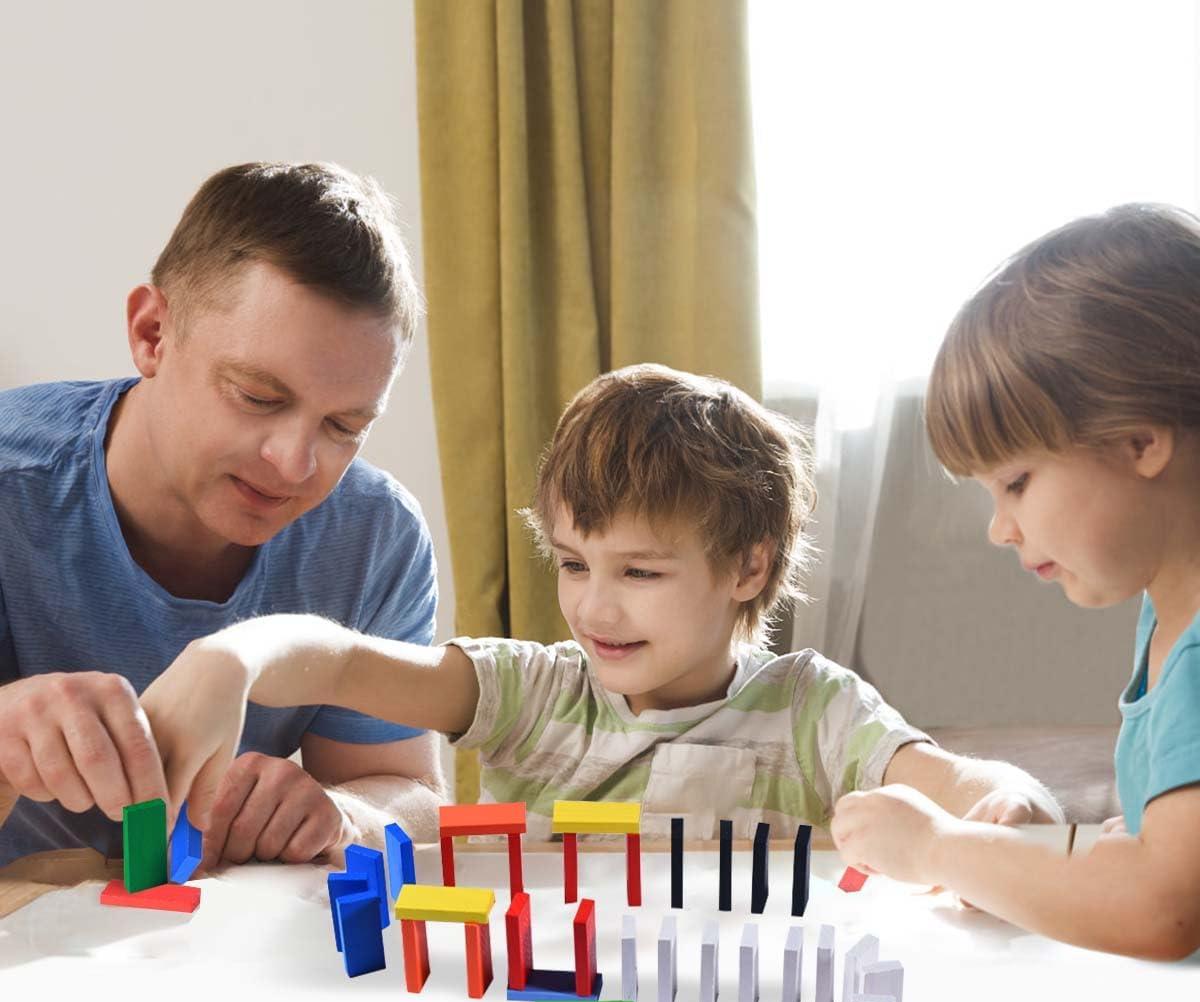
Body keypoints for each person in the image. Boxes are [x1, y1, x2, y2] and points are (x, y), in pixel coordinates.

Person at [138, 363, 1060, 851]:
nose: (594, 608)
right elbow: (341, 661)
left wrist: (1001, 804)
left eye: (641, 573)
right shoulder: (534, 691)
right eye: (574, 564)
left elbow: (957, 782)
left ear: (748, 566)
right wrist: (234, 659)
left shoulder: (815, 709)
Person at [0, 161, 444, 873]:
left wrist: (346, 814)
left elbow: (411, 790)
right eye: (259, 397)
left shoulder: (373, 534)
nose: (294, 463)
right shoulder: (10, 491)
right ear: (151, 334)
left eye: (343, 426)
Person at [831, 202, 1200, 961]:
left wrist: (937, 847)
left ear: (1140, 440)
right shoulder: (1168, 617)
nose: (1000, 528)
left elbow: (1159, 915)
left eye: (1018, 483)